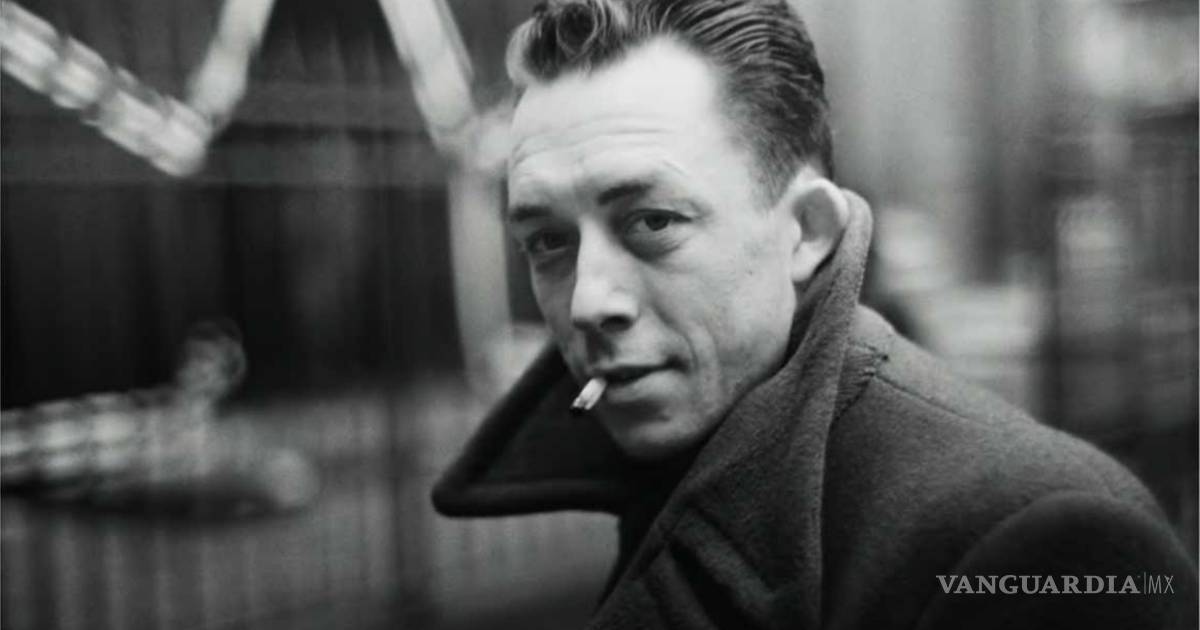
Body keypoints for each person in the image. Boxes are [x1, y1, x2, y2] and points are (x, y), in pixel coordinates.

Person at [432, 1, 1197, 627]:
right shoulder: (669, 457)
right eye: (548, 242)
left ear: (806, 232)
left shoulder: (1036, 535)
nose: (588, 301)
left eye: (653, 222)